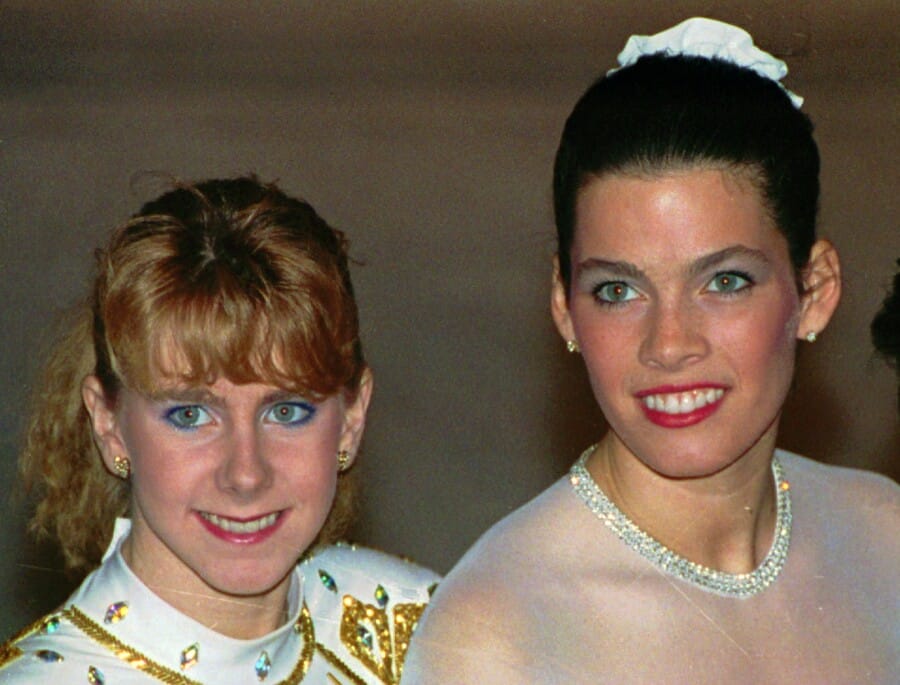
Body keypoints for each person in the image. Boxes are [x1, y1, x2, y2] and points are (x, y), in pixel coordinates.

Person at [402, 18, 899, 684]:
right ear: (563, 305)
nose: (669, 344)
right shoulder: (500, 630)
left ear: (814, 290)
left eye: (725, 282)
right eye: (617, 290)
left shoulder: (885, 538)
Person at [1, 176, 438, 684]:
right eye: (190, 415)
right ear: (109, 425)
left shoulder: (422, 628)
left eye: (288, 412)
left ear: (352, 418)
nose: (246, 474)